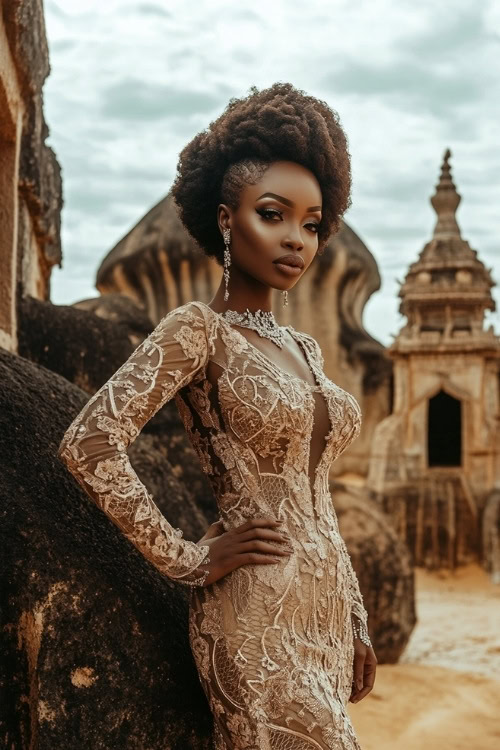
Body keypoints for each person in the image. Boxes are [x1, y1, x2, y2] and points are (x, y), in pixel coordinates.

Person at [59, 82, 377, 750]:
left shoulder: (306, 350)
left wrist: (355, 617)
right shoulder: (197, 330)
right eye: (273, 214)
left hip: (323, 618)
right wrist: (189, 559)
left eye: (312, 224)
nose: (296, 239)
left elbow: (316, 496)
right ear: (228, 219)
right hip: (252, 610)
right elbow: (89, 444)